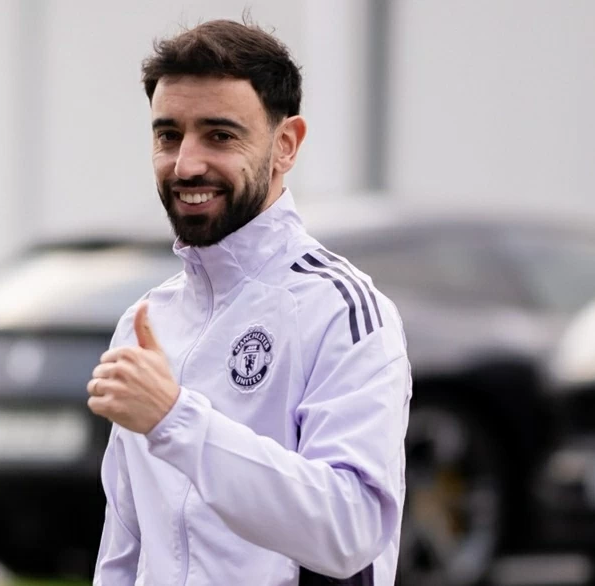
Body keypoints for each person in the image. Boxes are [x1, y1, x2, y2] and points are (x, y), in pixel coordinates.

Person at [86, 18, 411, 586]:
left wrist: (176, 420)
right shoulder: (145, 322)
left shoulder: (342, 309)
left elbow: (350, 530)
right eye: (169, 136)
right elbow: (126, 543)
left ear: (286, 145)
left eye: (219, 135)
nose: (186, 164)